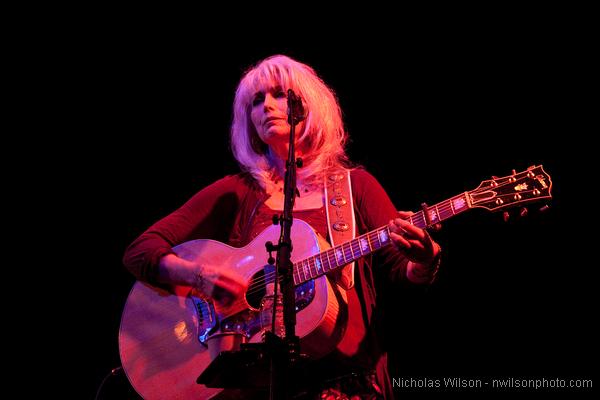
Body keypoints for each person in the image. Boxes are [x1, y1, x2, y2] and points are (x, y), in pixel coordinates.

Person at [122, 54, 441, 400]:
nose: (266, 107)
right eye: (256, 101)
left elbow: (402, 269)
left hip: (344, 380)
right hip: (256, 386)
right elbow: (141, 251)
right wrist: (200, 276)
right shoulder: (239, 191)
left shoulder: (354, 186)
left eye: (279, 95)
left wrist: (425, 260)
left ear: (310, 106)